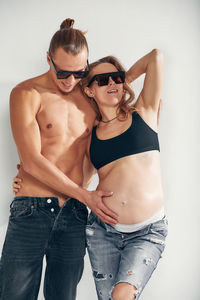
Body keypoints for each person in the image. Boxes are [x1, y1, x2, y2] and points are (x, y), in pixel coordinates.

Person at [0, 18, 118, 300]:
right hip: (32, 209)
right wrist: (84, 194)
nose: (70, 81)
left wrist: (84, 193)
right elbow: (31, 161)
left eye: (80, 73)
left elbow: (125, 82)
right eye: (63, 73)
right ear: (48, 59)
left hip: (74, 214)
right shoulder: (26, 93)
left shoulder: (91, 97)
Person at [80, 53, 168, 300]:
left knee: (122, 296)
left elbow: (156, 57)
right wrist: (26, 184)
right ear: (89, 91)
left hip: (147, 230)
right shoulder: (90, 138)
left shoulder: (144, 111)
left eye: (115, 78)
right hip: (102, 233)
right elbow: (79, 186)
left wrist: (119, 81)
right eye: (103, 80)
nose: (112, 83)